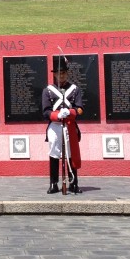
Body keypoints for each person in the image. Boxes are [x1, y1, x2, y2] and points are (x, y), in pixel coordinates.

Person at [41, 54, 83, 194]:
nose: (62, 76)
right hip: (55, 126)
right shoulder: (47, 91)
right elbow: (46, 111)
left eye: (64, 73)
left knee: (71, 153)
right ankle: (53, 183)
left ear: (67, 73)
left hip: (70, 125)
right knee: (54, 153)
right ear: (55, 75)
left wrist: (70, 112)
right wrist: (57, 115)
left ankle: (73, 182)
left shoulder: (75, 89)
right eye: (59, 73)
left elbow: (80, 109)